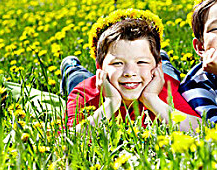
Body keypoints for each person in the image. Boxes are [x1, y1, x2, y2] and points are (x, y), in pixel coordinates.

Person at [64, 9, 201, 132]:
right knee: (76, 76)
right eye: (117, 63)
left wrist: (152, 99)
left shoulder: (166, 87)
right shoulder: (83, 94)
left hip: (155, 76)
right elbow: (66, 144)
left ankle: (162, 59)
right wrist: (111, 103)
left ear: (156, 68)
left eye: (141, 62)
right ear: (100, 68)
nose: (129, 72)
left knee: (168, 70)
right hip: (93, 84)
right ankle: (71, 66)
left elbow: (201, 130)